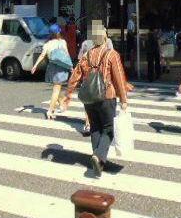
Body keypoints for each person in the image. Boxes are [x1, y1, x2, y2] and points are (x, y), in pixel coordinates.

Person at [62, 22, 129, 178]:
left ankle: (97, 160)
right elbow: (119, 78)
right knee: (108, 129)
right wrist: (123, 99)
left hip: (89, 97)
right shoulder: (112, 54)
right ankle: (98, 156)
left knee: (95, 128)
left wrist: (68, 94)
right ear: (105, 36)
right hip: (107, 96)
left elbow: (75, 75)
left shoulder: (86, 55)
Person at [77, 21, 114, 136]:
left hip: (88, 77)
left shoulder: (86, 43)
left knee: (88, 100)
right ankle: (101, 124)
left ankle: (88, 124)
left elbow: (79, 58)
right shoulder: (108, 42)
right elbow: (112, 57)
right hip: (103, 77)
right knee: (102, 100)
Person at [31, 24, 72, 120]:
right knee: (56, 89)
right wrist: (71, 66)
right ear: (59, 32)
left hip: (51, 67)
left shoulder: (47, 44)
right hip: (61, 67)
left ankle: (61, 104)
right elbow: (67, 55)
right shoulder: (62, 42)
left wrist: (35, 66)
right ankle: (50, 110)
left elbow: (42, 55)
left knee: (57, 87)